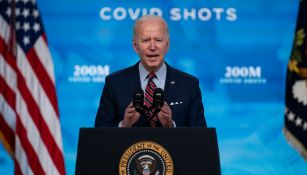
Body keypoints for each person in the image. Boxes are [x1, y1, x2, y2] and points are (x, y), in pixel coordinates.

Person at [95, 15, 207, 127]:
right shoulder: (114, 83)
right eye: (146, 40)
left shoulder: (189, 85)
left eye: (158, 40)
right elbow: (99, 138)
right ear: (135, 46)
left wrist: (171, 126)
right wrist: (124, 125)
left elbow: (201, 139)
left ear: (167, 45)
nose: (152, 47)